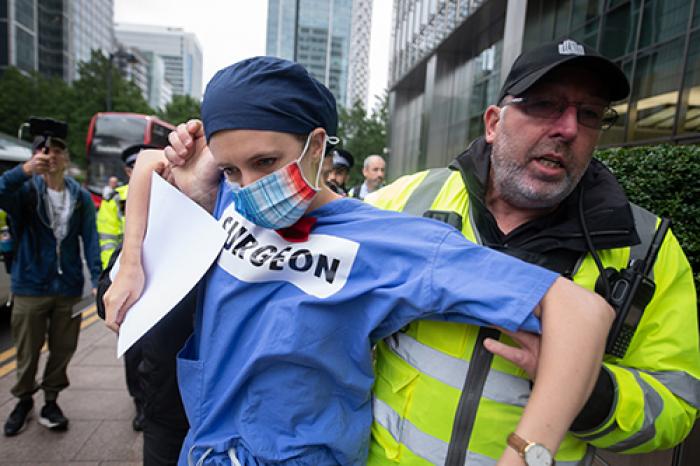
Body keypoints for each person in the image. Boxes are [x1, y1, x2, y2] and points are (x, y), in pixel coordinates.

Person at [104, 56, 614, 466]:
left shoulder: (386, 240)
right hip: (208, 445)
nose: (253, 185)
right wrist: (131, 263)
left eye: (266, 161)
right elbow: (151, 163)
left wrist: (526, 453)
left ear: (317, 144)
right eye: (232, 167)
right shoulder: (232, 200)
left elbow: (581, 311)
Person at [365, 38, 700, 465]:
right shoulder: (406, 202)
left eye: (590, 114)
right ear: (492, 123)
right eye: (544, 105)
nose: (568, 129)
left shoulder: (644, 248)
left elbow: (675, 404)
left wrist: (585, 387)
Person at [95, 143, 194, 464]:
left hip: (227, 409)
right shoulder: (151, 234)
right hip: (166, 402)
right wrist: (130, 261)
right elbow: (106, 301)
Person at [1, 132, 101, 436]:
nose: (52, 156)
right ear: (36, 156)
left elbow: (91, 238)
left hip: (68, 287)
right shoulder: (25, 192)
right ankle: (23, 401)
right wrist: (24, 171)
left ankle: (51, 400)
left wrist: (97, 279)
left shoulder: (80, 196)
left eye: (58, 150)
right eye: (45, 151)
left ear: (66, 158)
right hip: (30, 284)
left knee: (63, 349)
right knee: (28, 350)